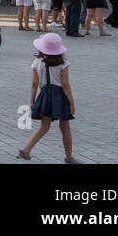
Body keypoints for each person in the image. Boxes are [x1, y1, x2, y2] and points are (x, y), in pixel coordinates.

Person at [16, 33, 76, 161]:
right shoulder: (63, 64)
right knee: (65, 127)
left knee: (44, 126)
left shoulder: (37, 62)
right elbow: (65, 84)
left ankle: (25, 150)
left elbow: (34, 83)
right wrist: (71, 103)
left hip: (45, 95)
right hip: (59, 96)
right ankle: (69, 157)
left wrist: (31, 101)